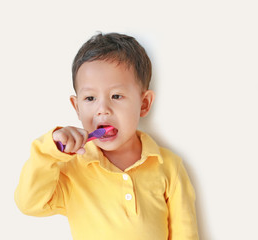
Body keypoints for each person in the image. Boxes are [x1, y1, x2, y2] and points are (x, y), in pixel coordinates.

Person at [15, 32, 199, 240]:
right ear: (77, 107)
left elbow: (186, 234)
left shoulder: (169, 166)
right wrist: (50, 150)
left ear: (144, 103)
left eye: (116, 96)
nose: (102, 109)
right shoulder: (72, 169)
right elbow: (29, 203)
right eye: (90, 98)